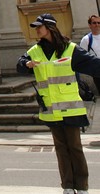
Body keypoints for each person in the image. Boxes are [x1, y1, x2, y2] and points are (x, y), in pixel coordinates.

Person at [17, 12, 100, 194]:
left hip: (71, 109)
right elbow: (20, 64)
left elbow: (94, 64)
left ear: (50, 28)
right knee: (61, 149)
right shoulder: (35, 50)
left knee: (75, 148)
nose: (37, 30)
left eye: (40, 26)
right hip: (51, 110)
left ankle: (82, 186)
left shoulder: (71, 49)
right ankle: (68, 186)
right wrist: (26, 64)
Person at [80, 14, 100, 94]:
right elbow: (82, 56)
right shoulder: (86, 39)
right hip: (97, 71)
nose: (97, 25)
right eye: (94, 23)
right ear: (90, 25)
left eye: (99, 23)